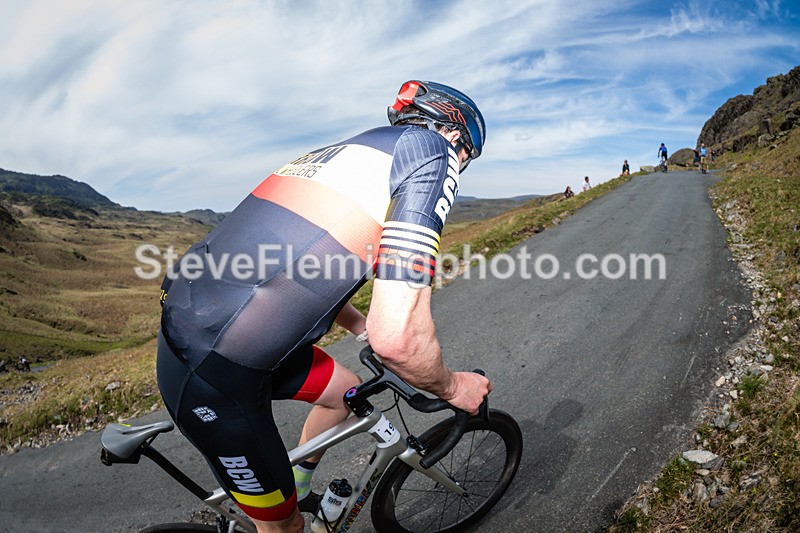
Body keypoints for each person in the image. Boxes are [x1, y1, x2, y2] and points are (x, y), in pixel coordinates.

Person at [156, 80, 491, 533]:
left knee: (346, 393)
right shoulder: (435, 153)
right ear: (456, 135)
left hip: (202, 325)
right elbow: (398, 340)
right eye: (467, 157)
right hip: (212, 375)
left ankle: (299, 483)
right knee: (282, 527)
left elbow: (295, 264)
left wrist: (358, 328)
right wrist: (453, 389)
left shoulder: (347, 152)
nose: (460, 165)